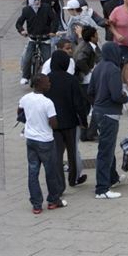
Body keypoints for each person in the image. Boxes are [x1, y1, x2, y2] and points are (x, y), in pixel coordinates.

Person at [18, 74, 67, 213]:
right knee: (51, 171)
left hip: (31, 139)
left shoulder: (25, 98)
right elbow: (54, 124)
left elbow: (19, 112)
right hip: (45, 141)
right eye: (47, 82)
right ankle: (53, 200)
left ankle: (36, 204)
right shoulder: (47, 103)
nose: (50, 84)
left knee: (33, 172)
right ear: (39, 84)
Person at [88, 42, 128, 199]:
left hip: (98, 112)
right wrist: (127, 97)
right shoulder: (113, 70)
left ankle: (112, 178)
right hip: (109, 114)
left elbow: (90, 91)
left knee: (107, 147)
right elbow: (117, 96)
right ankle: (102, 188)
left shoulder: (98, 67)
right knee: (106, 151)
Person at [45, 50, 87, 192]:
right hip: (70, 122)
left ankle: (59, 185)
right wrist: (84, 120)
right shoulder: (71, 80)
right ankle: (73, 178)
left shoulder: (47, 79)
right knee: (72, 152)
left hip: (53, 123)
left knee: (57, 154)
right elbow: (79, 103)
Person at [16, 0, 58, 85]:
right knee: (27, 58)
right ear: (30, 2)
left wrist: (53, 31)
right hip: (32, 38)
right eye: (35, 1)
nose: (37, 2)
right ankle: (25, 76)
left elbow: (55, 20)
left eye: (38, 0)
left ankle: (48, 77)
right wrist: (22, 31)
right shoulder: (26, 10)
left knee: (48, 59)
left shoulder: (46, 8)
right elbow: (19, 23)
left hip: (45, 38)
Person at [73, 26, 101, 141]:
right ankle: (91, 132)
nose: (98, 37)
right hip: (86, 82)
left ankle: (84, 134)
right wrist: (88, 71)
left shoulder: (85, 44)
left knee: (84, 108)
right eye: (96, 35)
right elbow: (80, 60)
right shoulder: (87, 48)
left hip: (83, 82)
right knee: (98, 107)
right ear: (92, 37)